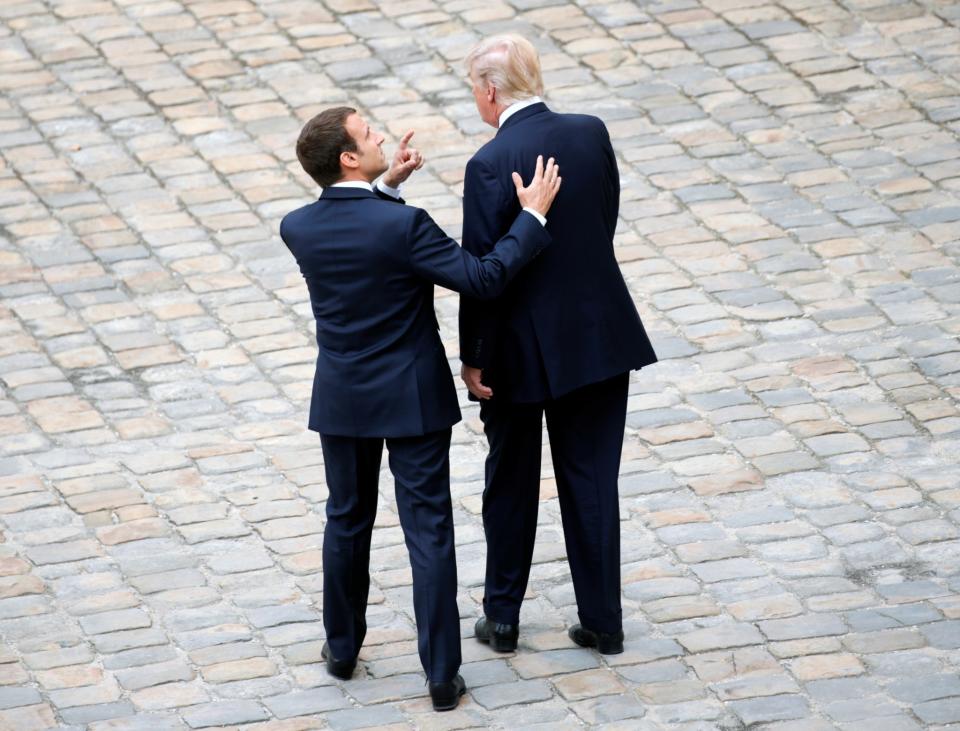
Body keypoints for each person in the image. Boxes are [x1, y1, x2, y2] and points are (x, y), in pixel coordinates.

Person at [279, 105, 560, 711]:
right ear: (348, 157)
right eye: (367, 133)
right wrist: (531, 216)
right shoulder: (405, 228)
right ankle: (440, 675)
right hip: (412, 396)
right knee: (427, 531)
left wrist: (386, 187)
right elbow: (483, 278)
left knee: (346, 519)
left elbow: (358, 229)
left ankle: (343, 649)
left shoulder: (297, 226)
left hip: (344, 396)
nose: (381, 133)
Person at [458, 35, 658, 656]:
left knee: (510, 482)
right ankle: (603, 622)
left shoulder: (488, 163)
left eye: (473, 88)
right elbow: (605, 217)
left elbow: (482, 271)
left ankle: (505, 618)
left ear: (490, 91)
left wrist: (473, 356)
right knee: (593, 480)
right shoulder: (589, 131)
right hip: (598, 336)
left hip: (518, 351)